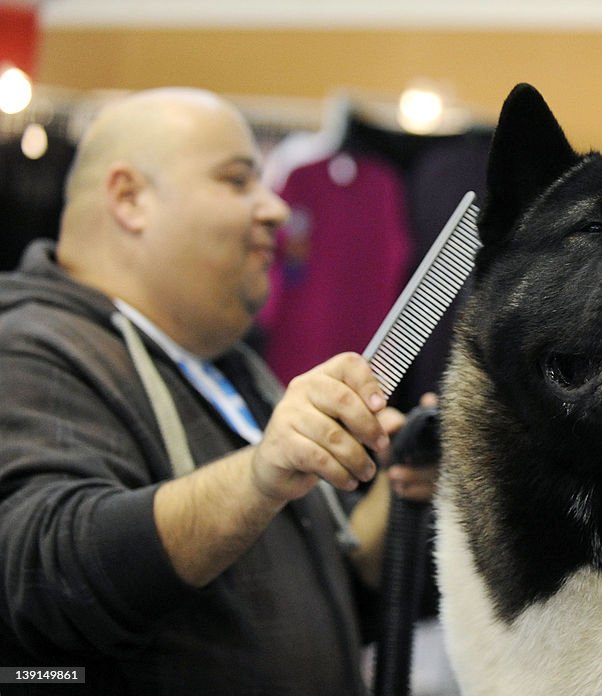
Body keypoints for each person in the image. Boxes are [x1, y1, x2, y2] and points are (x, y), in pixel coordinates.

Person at [0, 87, 435, 695]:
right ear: (129, 199)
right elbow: (45, 581)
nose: (277, 209)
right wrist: (262, 474)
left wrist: (398, 494)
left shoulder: (230, 367)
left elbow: (303, 605)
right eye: (238, 181)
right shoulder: (29, 348)